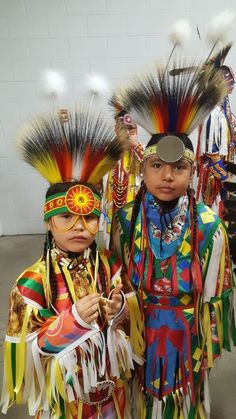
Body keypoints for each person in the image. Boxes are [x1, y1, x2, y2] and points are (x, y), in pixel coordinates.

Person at [110, 60, 236, 418]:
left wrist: (208, 343)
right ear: (143, 167)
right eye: (157, 167)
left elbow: (215, 296)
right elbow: (117, 278)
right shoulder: (125, 220)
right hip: (141, 324)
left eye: (179, 167)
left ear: (191, 171)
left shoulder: (209, 226)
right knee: (142, 390)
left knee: (184, 397)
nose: (167, 176)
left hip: (185, 330)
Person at [1, 110, 143, 418]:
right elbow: (26, 353)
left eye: (89, 217)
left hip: (110, 394)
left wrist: (119, 310)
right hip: (65, 399)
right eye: (66, 217)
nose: (79, 227)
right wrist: (73, 321)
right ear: (48, 223)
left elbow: (133, 329)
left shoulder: (111, 266)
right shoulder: (32, 283)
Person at [196, 44, 236, 216]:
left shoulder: (224, 110)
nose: (233, 85)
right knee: (215, 219)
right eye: (230, 81)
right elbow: (212, 153)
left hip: (222, 173)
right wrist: (226, 176)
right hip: (215, 177)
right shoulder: (213, 112)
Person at [102, 110, 144, 245]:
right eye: (122, 129)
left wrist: (136, 147)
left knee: (132, 242)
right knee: (112, 244)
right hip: (111, 207)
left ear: (136, 130)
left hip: (134, 209)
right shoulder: (107, 151)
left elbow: (153, 171)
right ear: (116, 129)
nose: (126, 133)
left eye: (130, 129)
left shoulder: (143, 150)